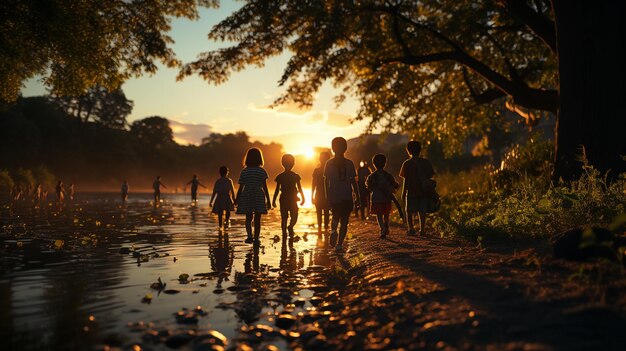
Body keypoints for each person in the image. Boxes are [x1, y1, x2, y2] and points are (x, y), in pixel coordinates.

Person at [324, 137, 359, 252]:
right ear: (345, 148)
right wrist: (357, 196)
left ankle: (333, 231)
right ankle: (339, 244)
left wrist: (327, 196)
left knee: (335, 216)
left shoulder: (328, 164)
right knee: (344, 221)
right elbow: (353, 181)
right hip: (347, 196)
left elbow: (326, 181)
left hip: (334, 196)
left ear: (333, 149)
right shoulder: (349, 163)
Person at [235, 148, 272, 244]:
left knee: (248, 217)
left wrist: (237, 199)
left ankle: (249, 236)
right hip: (259, 195)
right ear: (260, 159)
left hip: (247, 194)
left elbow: (241, 187)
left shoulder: (244, 171)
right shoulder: (261, 171)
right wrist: (268, 200)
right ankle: (256, 238)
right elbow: (265, 187)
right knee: (257, 218)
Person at [399, 141, 435, 236]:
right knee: (422, 211)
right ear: (420, 150)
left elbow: (405, 180)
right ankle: (422, 230)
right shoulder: (425, 162)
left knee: (409, 210)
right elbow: (430, 176)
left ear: (408, 151)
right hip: (424, 191)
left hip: (411, 191)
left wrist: (403, 193)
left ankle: (411, 229)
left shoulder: (406, 163)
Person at [366, 154, 400, 239]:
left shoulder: (372, 176)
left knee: (379, 214)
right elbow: (395, 185)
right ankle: (386, 225)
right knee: (386, 213)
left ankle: (382, 229)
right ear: (385, 163)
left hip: (376, 198)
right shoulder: (388, 175)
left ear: (374, 164)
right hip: (386, 198)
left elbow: (369, 186)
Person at [273, 154, 305, 238]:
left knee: (289, 216)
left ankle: (288, 229)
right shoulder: (284, 176)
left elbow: (300, 188)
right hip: (288, 199)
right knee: (288, 216)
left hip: (288, 199)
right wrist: (273, 200)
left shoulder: (293, 176)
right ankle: (286, 232)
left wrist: (303, 198)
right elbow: (277, 189)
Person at [311, 151, 331, 232]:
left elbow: (313, 184)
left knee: (321, 214)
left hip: (320, 195)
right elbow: (313, 184)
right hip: (322, 195)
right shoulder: (318, 170)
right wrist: (311, 196)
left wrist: (312, 196)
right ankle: (325, 232)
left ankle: (321, 231)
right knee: (326, 213)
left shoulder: (317, 170)